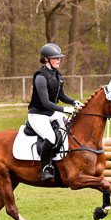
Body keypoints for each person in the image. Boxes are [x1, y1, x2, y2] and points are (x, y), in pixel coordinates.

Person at [28, 43, 84, 181]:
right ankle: (45, 169)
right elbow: (45, 102)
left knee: (69, 127)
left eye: (60, 58)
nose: (59, 60)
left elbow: (61, 96)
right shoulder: (40, 77)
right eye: (56, 58)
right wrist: (65, 109)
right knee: (51, 138)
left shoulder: (56, 73)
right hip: (38, 114)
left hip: (51, 113)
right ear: (47, 59)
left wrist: (73, 102)